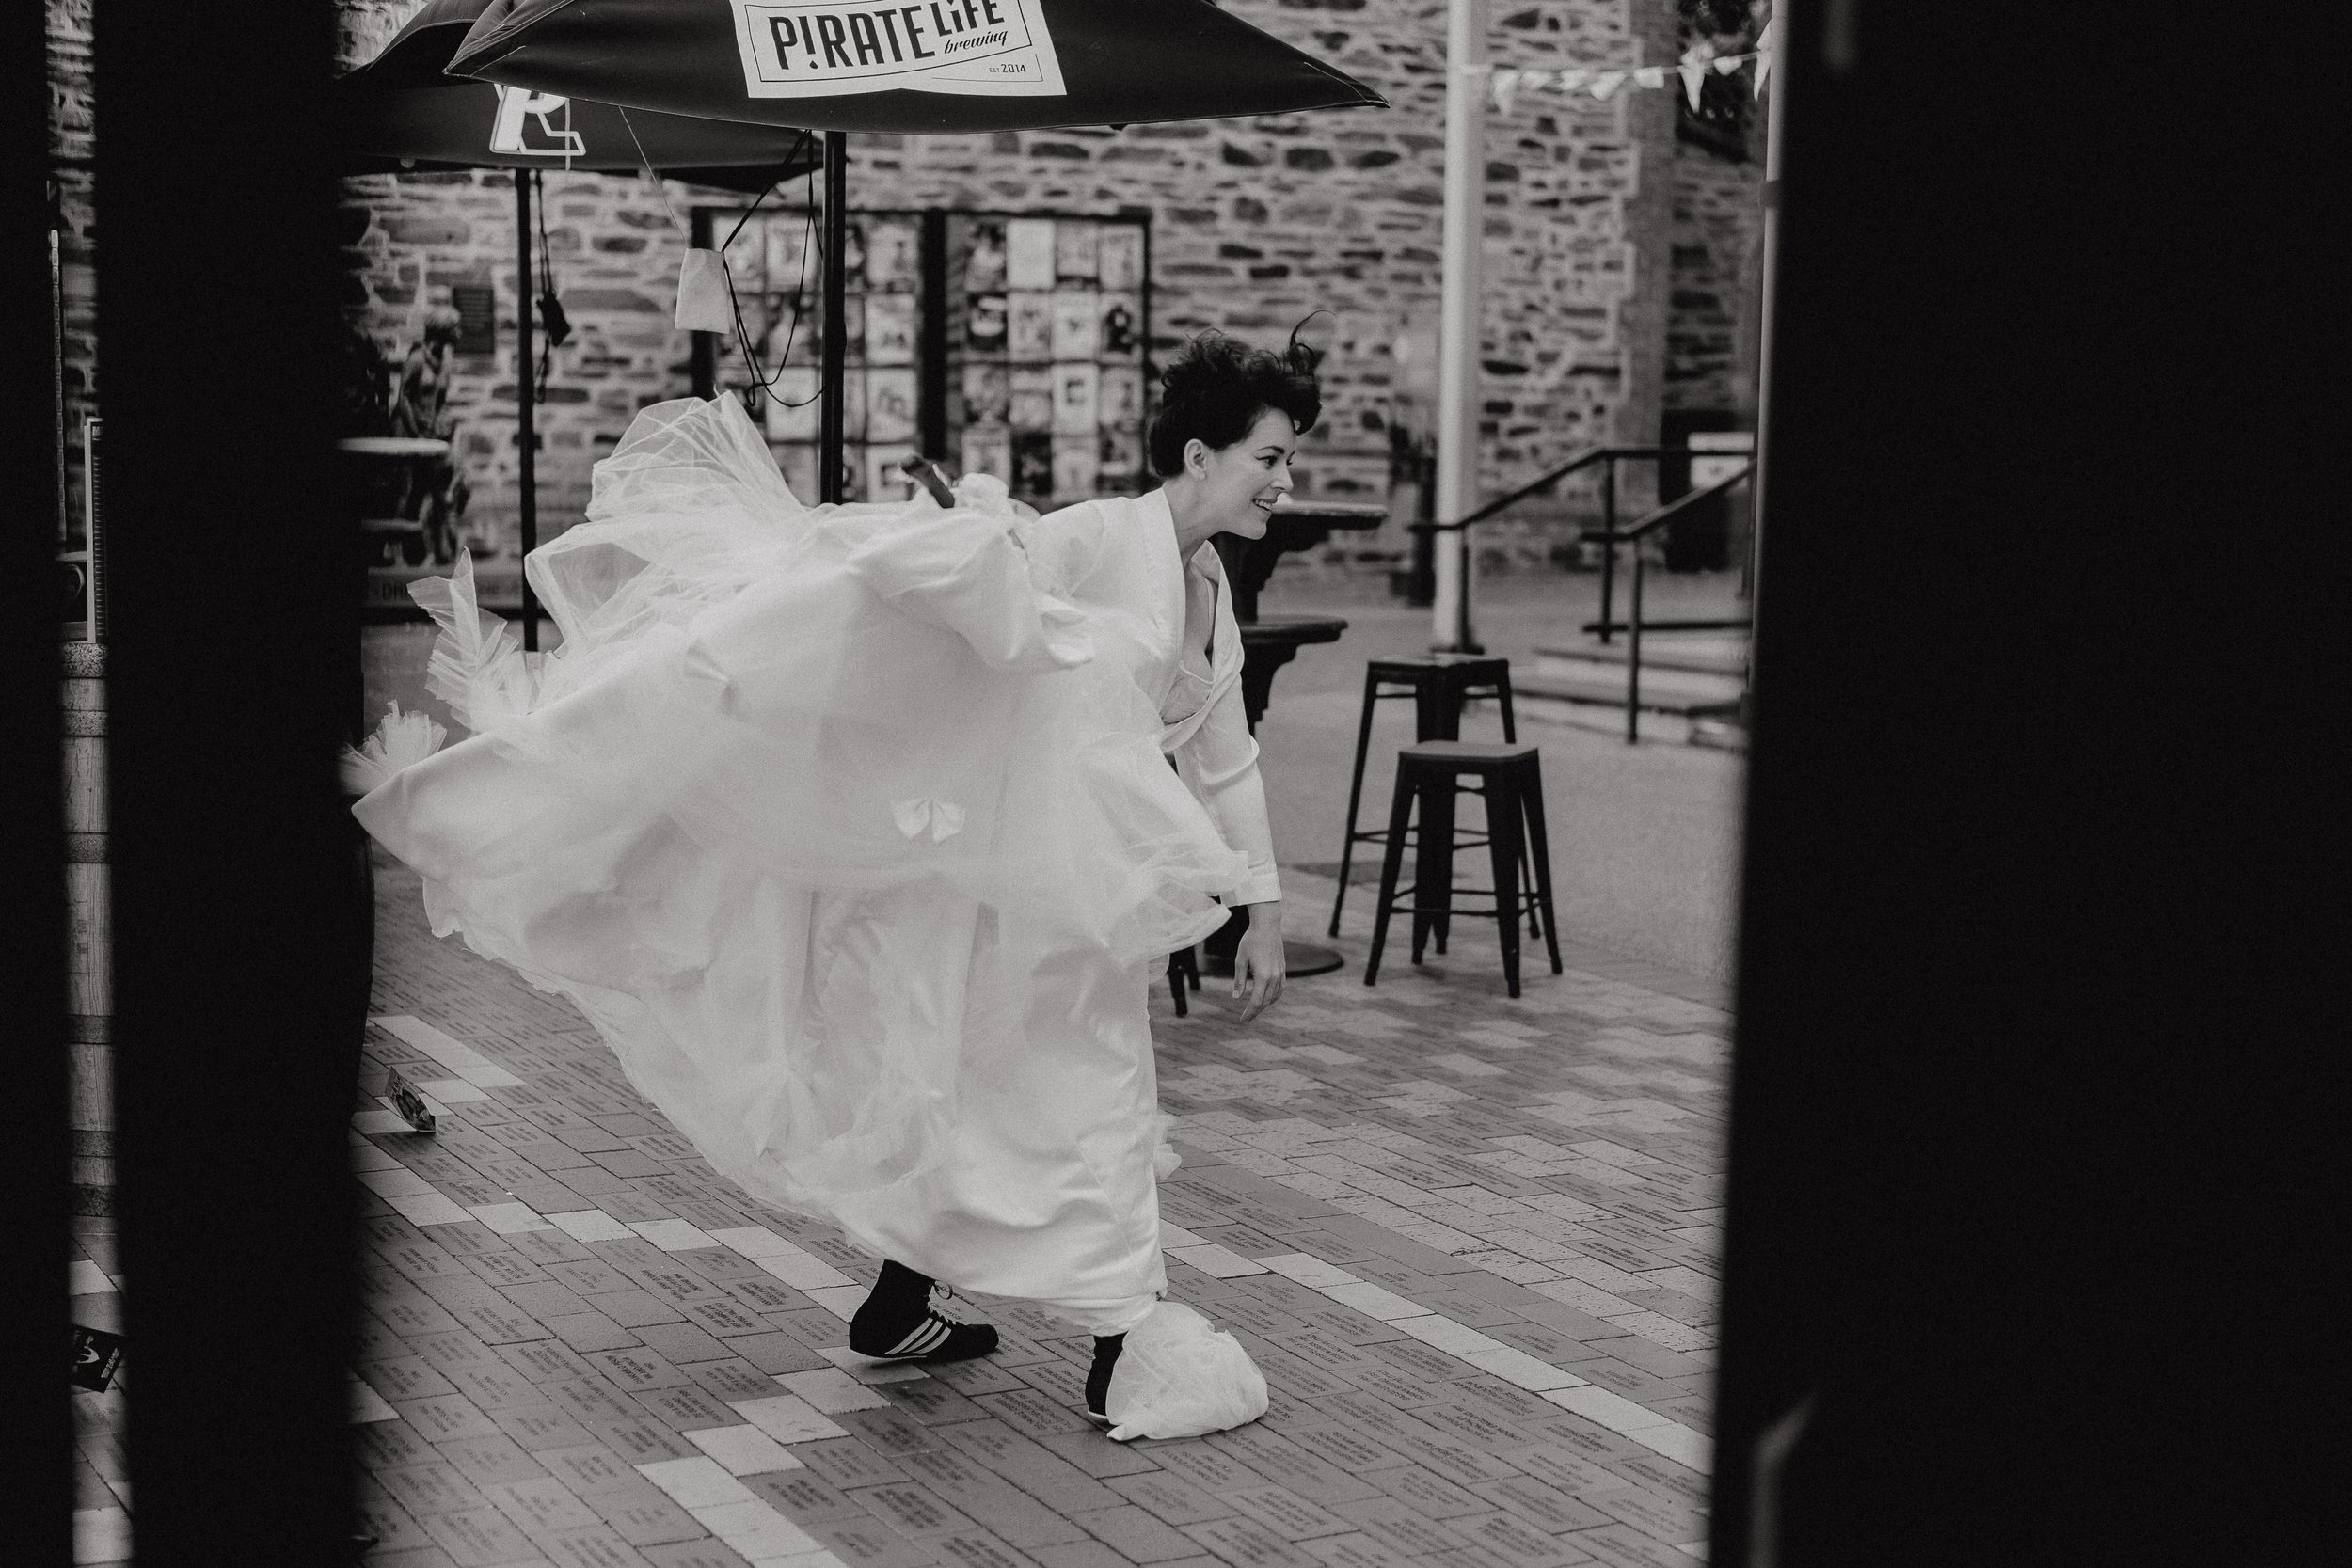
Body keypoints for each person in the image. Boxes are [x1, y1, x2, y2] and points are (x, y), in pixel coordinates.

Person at [349, 331, 1316, 1435]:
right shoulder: (1098, 536)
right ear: (1198, 454)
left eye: (1286, 461)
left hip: (1062, 879)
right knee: (1077, 1085)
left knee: (986, 1076)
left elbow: (1224, 753)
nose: (1284, 482)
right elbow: (922, 600)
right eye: (1270, 458)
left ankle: (904, 1304)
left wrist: (1265, 908)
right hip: (1001, 869)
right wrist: (986, 546)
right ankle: (1120, 1340)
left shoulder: (1205, 582)